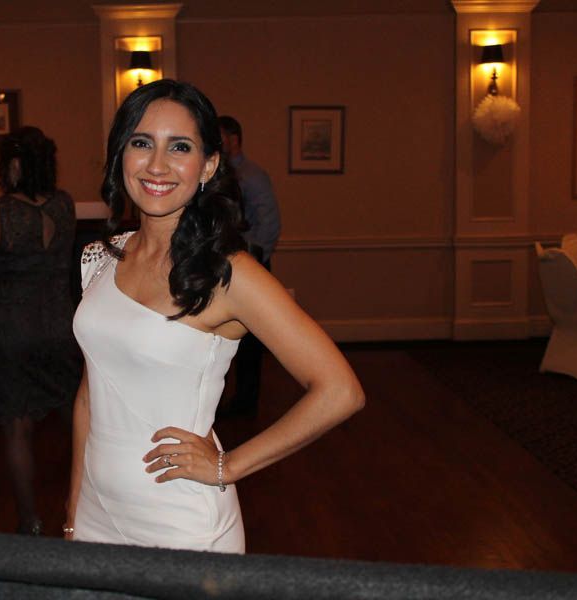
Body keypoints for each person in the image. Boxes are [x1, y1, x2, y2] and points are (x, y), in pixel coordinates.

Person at [65, 80, 364, 553]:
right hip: (95, 517)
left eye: (179, 147)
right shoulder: (101, 258)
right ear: (120, 154)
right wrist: (72, 517)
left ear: (208, 165)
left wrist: (229, 467)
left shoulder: (229, 274)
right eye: (141, 143)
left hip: (183, 525)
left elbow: (340, 391)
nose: (157, 165)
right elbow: (88, 397)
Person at [0, 126, 81, 535]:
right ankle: (83, 510)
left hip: (13, 332)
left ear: (13, 164)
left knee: (18, 428)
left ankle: (30, 523)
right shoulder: (64, 205)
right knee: (78, 420)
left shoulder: (0, 210)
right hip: (62, 326)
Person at [218, 115, 282, 418]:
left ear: (233, 138)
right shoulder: (217, 174)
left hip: (250, 265)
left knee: (250, 341)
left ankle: (246, 402)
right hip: (223, 266)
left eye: (220, 136)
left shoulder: (252, 176)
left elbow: (269, 224)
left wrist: (252, 260)